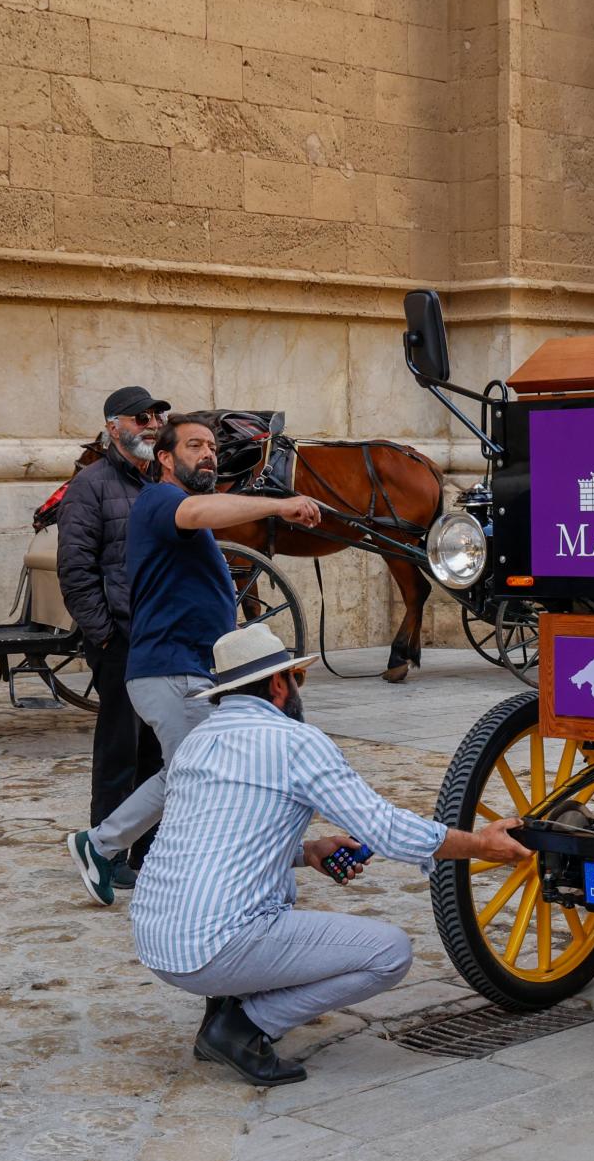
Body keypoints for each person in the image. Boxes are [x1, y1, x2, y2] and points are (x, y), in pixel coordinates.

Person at [132, 624, 532, 1086]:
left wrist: (307, 852)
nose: (299, 690)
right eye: (297, 679)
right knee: (389, 953)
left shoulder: (196, 742)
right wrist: (480, 844)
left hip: (155, 941)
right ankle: (241, 1028)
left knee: (267, 902)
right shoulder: (296, 742)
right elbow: (386, 828)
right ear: (278, 684)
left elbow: (211, 839)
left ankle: (226, 1001)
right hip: (214, 948)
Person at [65, 414, 322, 905]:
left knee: (194, 773)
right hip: (172, 669)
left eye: (212, 448)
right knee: (193, 774)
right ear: (164, 458)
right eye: (194, 446)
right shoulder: (161, 500)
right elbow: (203, 509)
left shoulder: (181, 513)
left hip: (188, 670)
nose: (208, 454)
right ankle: (103, 845)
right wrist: (280, 504)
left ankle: (121, 848)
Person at [56, 385, 169, 884]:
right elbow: (76, 569)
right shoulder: (91, 485)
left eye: (156, 416)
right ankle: (108, 851)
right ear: (113, 427)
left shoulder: (160, 482)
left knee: (157, 750)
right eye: (141, 417)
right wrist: (104, 635)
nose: (152, 425)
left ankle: (148, 851)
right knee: (120, 748)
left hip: (158, 637)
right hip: (120, 639)